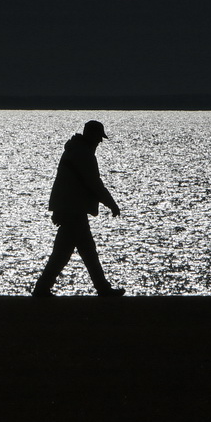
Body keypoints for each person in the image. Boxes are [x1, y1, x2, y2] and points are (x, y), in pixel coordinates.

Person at [32, 120, 125, 297]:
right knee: (68, 253)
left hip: (69, 208)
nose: (100, 141)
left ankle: (101, 288)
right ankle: (42, 289)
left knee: (83, 251)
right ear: (91, 136)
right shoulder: (84, 155)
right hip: (73, 210)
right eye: (99, 137)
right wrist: (111, 204)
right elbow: (94, 183)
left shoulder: (74, 150)